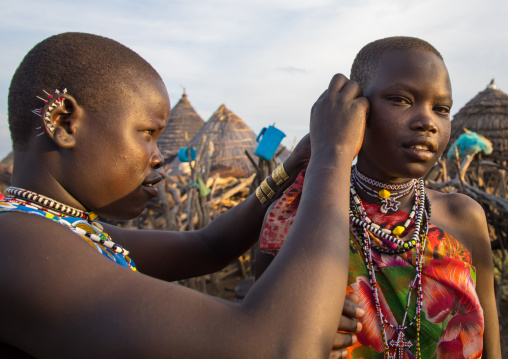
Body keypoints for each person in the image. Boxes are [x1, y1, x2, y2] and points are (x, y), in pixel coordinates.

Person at [0, 32, 367, 358]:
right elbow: (275, 345)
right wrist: (332, 154)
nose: (159, 156)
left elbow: (209, 246)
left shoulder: (62, 231)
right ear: (65, 123)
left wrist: (294, 165)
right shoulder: (18, 246)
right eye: (147, 133)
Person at [256, 36, 501, 358]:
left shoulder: (463, 216)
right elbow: (258, 330)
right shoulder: (296, 217)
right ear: (355, 110)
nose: (428, 121)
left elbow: (493, 347)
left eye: (441, 109)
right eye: (400, 99)